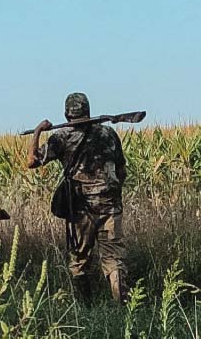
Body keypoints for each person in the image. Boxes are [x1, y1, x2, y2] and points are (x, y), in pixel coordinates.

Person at [29, 92, 128, 301]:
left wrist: (38, 131)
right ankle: (123, 306)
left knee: (79, 259)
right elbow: (121, 171)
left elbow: (32, 161)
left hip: (81, 210)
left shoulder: (61, 137)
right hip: (110, 206)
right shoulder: (108, 134)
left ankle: (85, 306)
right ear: (88, 110)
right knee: (113, 260)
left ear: (66, 114)